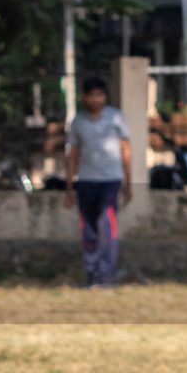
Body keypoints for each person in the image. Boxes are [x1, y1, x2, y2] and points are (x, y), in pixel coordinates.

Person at [63, 75, 132, 287]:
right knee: (89, 228)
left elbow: (125, 150)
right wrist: (69, 186)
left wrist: (129, 181)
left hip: (111, 180)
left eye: (100, 95)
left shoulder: (116, 117)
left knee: (107, 224)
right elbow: (73, 154)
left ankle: (107, 273)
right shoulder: (78, 122)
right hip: (86, 181)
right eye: (92, 96)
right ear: (84, 97)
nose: (96, 100)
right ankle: (92, 274)